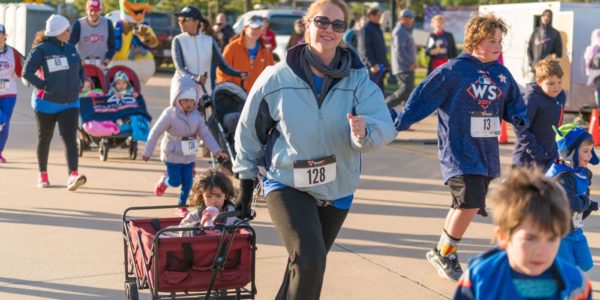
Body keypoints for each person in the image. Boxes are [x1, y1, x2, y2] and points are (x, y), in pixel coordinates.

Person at [232, 0, 397, 298]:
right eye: (321, 22)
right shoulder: (276, 77)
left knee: (304, 265)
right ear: (306, 25)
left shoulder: (357, 78)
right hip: (287, 181)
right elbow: (249, 131)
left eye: (337, 25)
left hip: (339, 186)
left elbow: (383, 125)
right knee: (310, 261)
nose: (329, 30)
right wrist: (245, 183)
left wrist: (364, 131)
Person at [394, 13, 528, 282]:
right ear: (475, 41)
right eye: (492, 40)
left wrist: (519, 117)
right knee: (467, 202)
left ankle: (440, 250)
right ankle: (445, 252)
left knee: (466, 203)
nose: (498, 46)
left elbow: (513, 101)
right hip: (458, 150)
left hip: (486, 153)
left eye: (500, 41)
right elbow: (423, 95)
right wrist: (399, 122)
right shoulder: (453, 70)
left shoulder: (501, 74)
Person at [454, 167, 592, 300]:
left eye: (551, 238)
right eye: (530, 238)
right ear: (503, 236)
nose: (541, 251)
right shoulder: (479, 279)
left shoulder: (577, 285)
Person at [142, 76, 228, 217]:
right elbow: (156, 131)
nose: (189, 104)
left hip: (189, 151)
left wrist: (217, 150)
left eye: (191, 101)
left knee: (188, 181)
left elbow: (205, 134)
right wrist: (148, 151)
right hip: (172, 151)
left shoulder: (196, 115)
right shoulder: (169, 114)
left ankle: (181, 206)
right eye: (185, 100)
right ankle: (165, 180)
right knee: (175, 181)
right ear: (177, 99)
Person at [23, 14, 87, 191]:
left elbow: (80, 70)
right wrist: (44, 85)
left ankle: (73, 175)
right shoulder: (41, 50)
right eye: (67, 29)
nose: (70, 32)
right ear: (58, 31)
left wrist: (81, 81)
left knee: (69, 139)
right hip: (46, 103)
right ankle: (42, 174)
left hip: (70, 102)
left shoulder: (71, 49)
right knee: (45, 138)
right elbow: (26, 72)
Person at [546, 123, 599, 272]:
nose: (589, 156)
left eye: (591, 151)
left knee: (586, 264)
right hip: (558, 233)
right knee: (567, 270)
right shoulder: (561, 177)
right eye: (585, 151)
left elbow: (582, 200)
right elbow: (573, 203)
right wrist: (588, 203)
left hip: (575, 230)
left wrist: (590, 205)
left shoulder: (583, 172)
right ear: (570, 153)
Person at [171, 6, 244, 97]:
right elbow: (180, 68)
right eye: (179, 19)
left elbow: (223, 66)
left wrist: (240, 74)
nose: (180, 22)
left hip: (206, 92)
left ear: (196, 22)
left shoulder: (209, 40)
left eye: (184, 19)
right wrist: (195, 78)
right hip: (184, 93)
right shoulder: (178, 40)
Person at [513, 56, 565, 171]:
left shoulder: (560, 96)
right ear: (539, 82)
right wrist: (538, 153)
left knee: (549, 189)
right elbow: (520, 128)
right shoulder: (531, 99)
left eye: (559, 82)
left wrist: (554, 152)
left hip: (550, 157)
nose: (556, 87)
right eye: (551, 84)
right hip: (527, 161)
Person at [217, 15, 275, 92]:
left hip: (258, 96)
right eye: (253, 28)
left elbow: (271, 74)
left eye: (259, 28)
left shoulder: (265, 50)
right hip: (236, 98)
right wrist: (230, 92)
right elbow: (222, 72)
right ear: (245, 28)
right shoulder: (231, 48)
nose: (257, 31)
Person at [177, 169, 238, 237]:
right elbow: (181, 231)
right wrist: (198, 226)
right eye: (208, 196)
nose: (213, 200)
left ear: (226, 195)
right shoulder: (196, 215)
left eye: (218, 196)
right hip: (202, 246)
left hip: (226, 247)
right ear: (202, 196)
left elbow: (245, 230)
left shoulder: (232, 214)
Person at [0, 23, 23, 164]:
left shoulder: (12, 52)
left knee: (5, 123)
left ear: (4, 36)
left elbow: (20, 73)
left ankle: (0, 152)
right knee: (1, 119)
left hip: (9, 92)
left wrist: (22, 62)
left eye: (0, 34)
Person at [68, 0, 115, 69]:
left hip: (101, 66)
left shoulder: (107, 23)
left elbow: (112, 47)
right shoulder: (79, 24)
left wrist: (105, 64)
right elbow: (70, 46)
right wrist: (77, 61)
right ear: (86, 10)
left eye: (96, 10)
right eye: (91, 10)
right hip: (82, 66)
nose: (93, 13)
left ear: (100, 11)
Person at [386, 8, 417, 109]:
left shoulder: (405, 30)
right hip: (404, 67)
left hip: (406, 66)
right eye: (409, 18)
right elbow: (400, 50)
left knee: (408, 93)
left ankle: (404, 119)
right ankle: (383, 106)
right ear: (403, 18)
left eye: (412, 18)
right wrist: (410, 62)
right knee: (405, 90)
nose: (411, 20)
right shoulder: (399, 31)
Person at [357, 7, 388, 91]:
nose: (379, 17)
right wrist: (372, 64)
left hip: (380, 67)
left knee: (379, 93)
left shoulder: (377, 29)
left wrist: (385, 64)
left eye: (380, 15)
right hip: (373, 68)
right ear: (371, 16)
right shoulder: (366, 29)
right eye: (378, 15)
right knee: (370, 94)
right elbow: (364, 49)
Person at [527, 9, 562, 76]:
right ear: (541, 17)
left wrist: (549, 64)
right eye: (544, 15)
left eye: (548, 16)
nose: (546, 18)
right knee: (533, 86)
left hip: (548, 70)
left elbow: (558, 53)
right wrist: (531, 63)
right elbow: (529, 49)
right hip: (535, 69)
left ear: (551, 18)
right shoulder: (536, 32)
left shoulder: (555, 33)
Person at [584, 28, 600, 107]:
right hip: (596, 74)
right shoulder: (592, 48)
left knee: (598, 92)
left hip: (596, 74)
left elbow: (588, 61)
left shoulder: (591, 48)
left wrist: (587, 70)